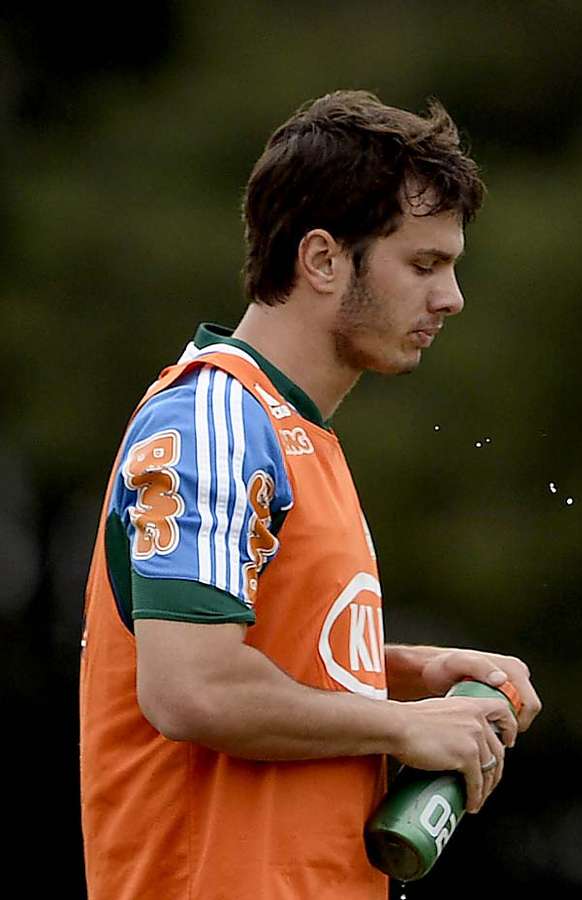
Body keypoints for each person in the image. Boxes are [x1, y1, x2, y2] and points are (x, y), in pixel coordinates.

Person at [79, 90, 541, 900]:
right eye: (424, 264)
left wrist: (413, 673)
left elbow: (273, 664)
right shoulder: (216, 418)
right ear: (323, 258)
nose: (451, 298)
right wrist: (404, 725)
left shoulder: (291, 432)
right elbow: (193, 687)